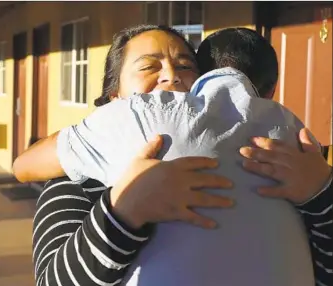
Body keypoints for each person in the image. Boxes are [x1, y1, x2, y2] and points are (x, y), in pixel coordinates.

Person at [28, 25, 333, 286]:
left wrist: (322, 197)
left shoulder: (281, 163)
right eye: (149, 67)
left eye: (186, 66)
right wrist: (122, 211)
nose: (171, 77)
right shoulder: (77, 184)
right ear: (115, 98)